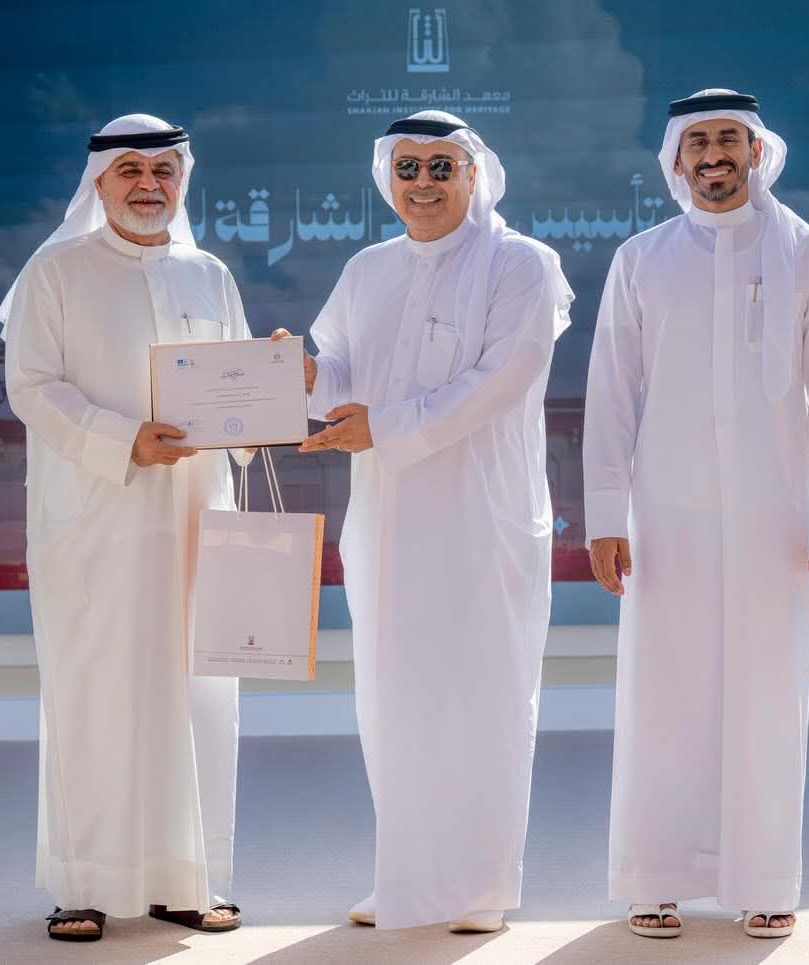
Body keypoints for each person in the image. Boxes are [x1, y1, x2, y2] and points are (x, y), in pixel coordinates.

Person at [280, 110, 572, 932]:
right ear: (388, 177)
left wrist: (386, 425)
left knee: (483, 693)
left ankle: (480, 887)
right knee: (393, 695)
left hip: (485, 518)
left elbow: (501, 381)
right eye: (407, 168)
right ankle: (407, 874)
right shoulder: (368, 268)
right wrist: (300, 374)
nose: (423, 184)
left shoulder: (522, 265)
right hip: (388, 517)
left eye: (442, 167)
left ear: (474, 175)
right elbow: (340, 374)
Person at [582, 89, 809, 940]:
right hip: (664, 511)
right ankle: (653, 877)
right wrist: (605, 513)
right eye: (698, 141)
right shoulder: (641, 259)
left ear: (756, 149)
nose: (714, 154)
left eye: (729, 138)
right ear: (675, 157)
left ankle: (764, 879)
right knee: (663, 689)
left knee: (769, 690)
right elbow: (610, 392)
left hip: (777, 509)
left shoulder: (807, 252)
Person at [0, 113, 247, 943]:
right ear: (98, 183)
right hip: (94, 519)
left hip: (196, 522)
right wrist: (123, 439)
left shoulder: (210, 274)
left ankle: (189, 881)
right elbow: (32, 386)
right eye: (130, 171)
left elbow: (242, 404)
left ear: (183, 179)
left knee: (198, 699)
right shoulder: (56, 272)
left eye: (163, 170)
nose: (149, 185)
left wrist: (279, 378)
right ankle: (84, 883)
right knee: (95, 697)